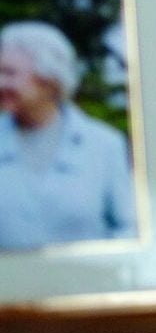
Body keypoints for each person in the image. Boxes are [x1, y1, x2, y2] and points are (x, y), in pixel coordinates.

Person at [0, 20, 137, 250]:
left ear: (49, 81)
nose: (1, 82)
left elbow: (129, 229)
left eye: (9, 73)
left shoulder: (104, 145)